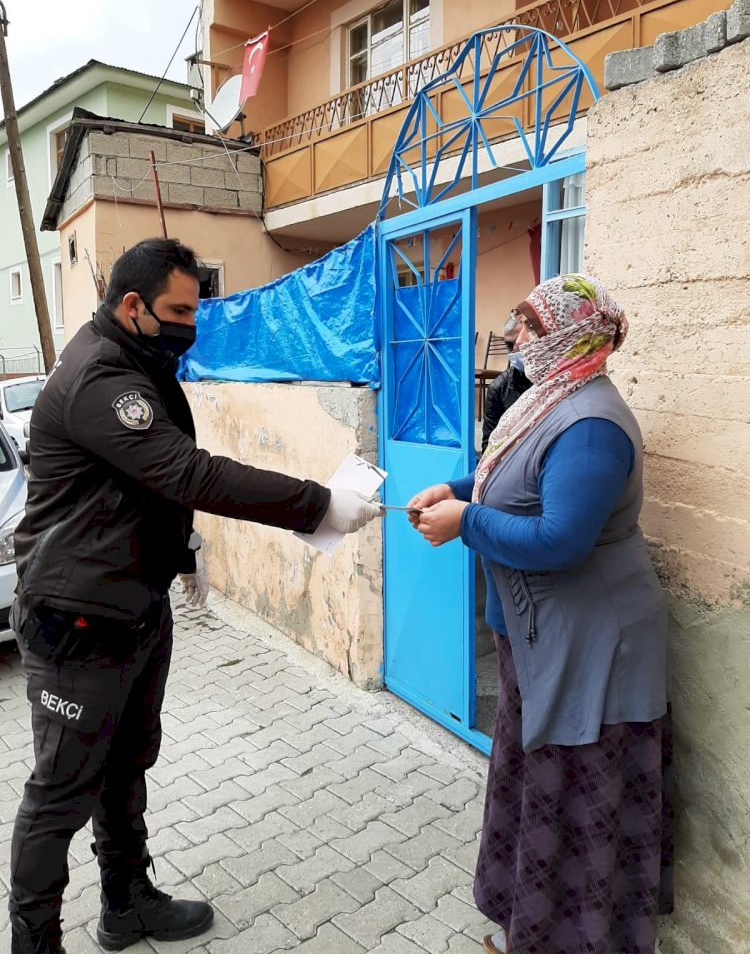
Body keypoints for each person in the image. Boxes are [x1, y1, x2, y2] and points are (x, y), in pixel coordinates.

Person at [8, 238, 381, 954]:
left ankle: (126, 902)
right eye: (178, 311)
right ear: (132, 306)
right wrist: (317, 504)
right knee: (60, 793)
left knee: (125, 764)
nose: (190, 325)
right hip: (76, 617)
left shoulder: (138, 361)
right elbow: (193, 475)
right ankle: (35, 942)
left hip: (133, 607)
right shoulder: (99, 378)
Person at [408, 274, 672, 954]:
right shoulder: (548, 401)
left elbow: (560, 540)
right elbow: (513, 472)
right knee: (535, 791)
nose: (516, 338)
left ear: (569, 336)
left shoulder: (592, 426)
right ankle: (528, 932)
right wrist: (460, 488)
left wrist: (465, 520)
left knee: (581, 801)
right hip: (538, 638)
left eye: (528, 326)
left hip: (593, 647)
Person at [480, 315, 531, 454]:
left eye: (521, 342)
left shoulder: (558, 380)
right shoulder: (499, 388)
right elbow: (488, 447)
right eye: (509, 345)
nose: (515, 349)